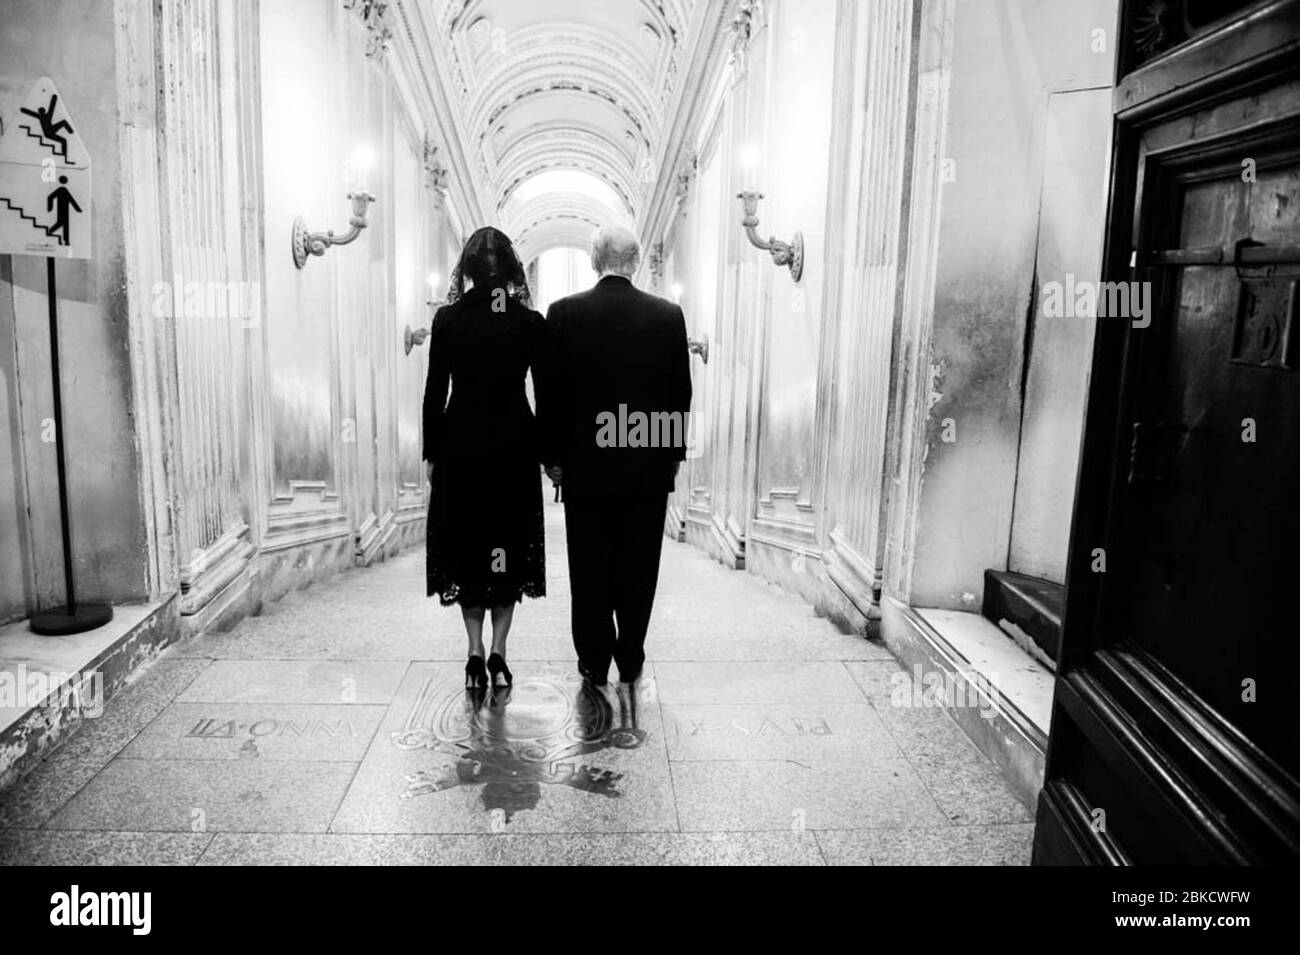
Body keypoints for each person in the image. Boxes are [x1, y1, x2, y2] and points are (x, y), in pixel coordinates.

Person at [541, 225, 692, 686]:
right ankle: (630, 652)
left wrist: (553, 457)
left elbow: (551, 394)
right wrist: (670, 458)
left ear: (594, 260)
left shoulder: (563, 314)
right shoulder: (668, 316)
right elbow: (679, 393)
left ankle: (593, 658)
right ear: (637, 261)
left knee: (589, 567)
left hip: (585, 472)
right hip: (645, 471)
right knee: (638, 566)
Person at [423, 227, 548, 691]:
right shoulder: (528, 323)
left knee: (470, 546)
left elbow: (435, 394)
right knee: (505, 547)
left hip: (462, 447)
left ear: (468, 270)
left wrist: (432, 454)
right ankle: (499, 651)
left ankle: (473, 649)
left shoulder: (448, 321)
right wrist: (548, 453)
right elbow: (546, 394)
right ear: (513, 270)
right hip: (513, 449)